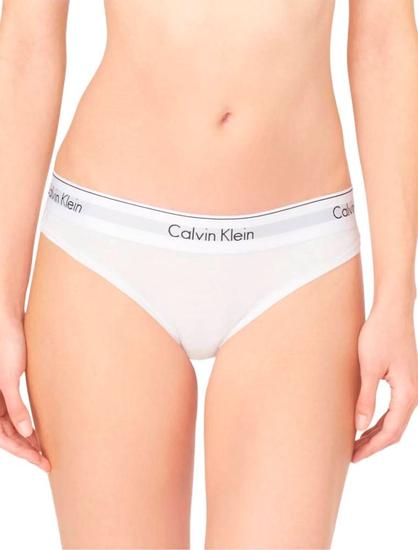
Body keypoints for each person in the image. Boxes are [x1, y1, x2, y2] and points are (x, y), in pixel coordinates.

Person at [0, 1, 417, 548]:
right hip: (108, 250)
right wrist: (2, 301)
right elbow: (25, 43)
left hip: (300, 260)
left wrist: (396, 296)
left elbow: (385, 40)